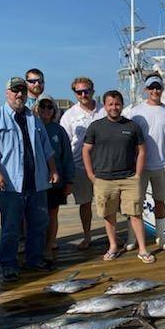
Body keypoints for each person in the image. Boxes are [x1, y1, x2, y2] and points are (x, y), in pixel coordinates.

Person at [0, 77, 60, 283]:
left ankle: (34, 259)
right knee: (11, 227)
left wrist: (53, 169)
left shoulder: (34, 119)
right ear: (7, 93)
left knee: (39, 224)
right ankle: (9, 264)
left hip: (37, 182)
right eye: (15, 91)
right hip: (10, 184)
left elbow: (46, 148)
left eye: (23, 91)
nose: (19, 95)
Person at [82, 90, 155, 264]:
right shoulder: (96, 126)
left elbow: (142, 151)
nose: (114, 107)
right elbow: (86, 150)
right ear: (105, 106)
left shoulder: (132, 126)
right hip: (104, 179)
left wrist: (137, 175)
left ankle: (143, 249)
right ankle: (113, 246)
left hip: (129, 178)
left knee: (136, 214)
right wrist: (91, 174)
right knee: (109, 213)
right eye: (110, 104)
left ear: (121, 105)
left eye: (117, 104)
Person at [126, 75, 165, 251]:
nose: (155, 91)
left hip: (161, 166)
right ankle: (131, 237)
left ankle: (160, 235)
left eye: (158, 87)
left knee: (160, 202)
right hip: (139, 167)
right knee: (135, 203)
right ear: (146, 90)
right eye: (151, 88)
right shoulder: (135, 112)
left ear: (162, 89)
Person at [60, 76, 106, 250]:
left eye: (86, 90)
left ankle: (112, 235)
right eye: (79, 92)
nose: (83, 94)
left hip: (104, 166)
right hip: (79, 167)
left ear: (93, 91)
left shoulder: (104, 110)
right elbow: (65, 145)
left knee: (108, 203)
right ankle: (87, 236)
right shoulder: (69, 116)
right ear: (75, 94)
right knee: (85, 203)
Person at [33, 93, 74, 257]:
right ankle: (35, 247)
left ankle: (49, 247)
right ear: (36, 108)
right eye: (42, 106)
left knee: (52, 214)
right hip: (35, 180)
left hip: (55, 180)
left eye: (50, 106)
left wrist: (69, 181)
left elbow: (67, 157)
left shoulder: (59, 130)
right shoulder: (31, 127)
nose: (46, 110)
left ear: (54, 110)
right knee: (34, 215)